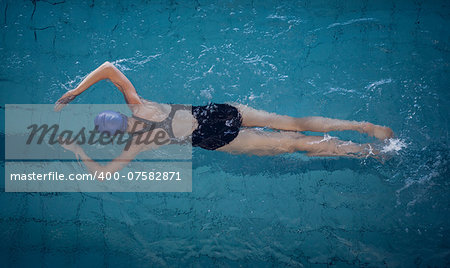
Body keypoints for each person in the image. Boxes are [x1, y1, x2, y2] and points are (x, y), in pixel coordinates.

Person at [55, 61, 394, 174]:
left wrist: (76, 151)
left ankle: (370, 153)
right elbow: (108, 68)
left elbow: (103, 175)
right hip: (218, 112)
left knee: (295, 145)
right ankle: (363, 127)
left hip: (218, 139)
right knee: (295, 123)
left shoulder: (137, 144)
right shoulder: (139, 104)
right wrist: (74, 93)